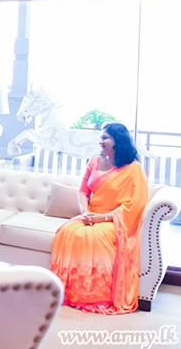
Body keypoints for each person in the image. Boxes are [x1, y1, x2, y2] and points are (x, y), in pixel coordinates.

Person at [50, 122, 148, 315]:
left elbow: (134, 204)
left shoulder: (133, 169)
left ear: (117, 141)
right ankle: (71, 291)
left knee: (96, 236)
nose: (100, 141)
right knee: (68, 231)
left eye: (105, 138)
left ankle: (95, 295)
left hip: (113, 219)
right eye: (101, 137)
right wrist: (85, 213)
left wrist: (102, 218)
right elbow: (82, 192)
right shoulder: (94, 162)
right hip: (91, 214)